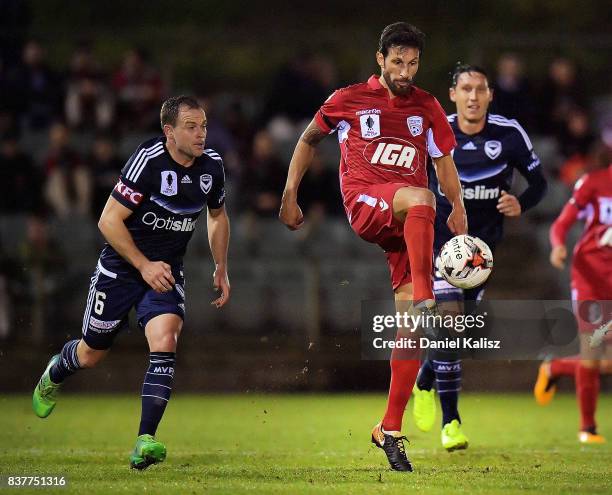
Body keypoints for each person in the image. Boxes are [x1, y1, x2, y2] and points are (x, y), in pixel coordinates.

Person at [279, 22, 467, 472]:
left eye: (413, 62)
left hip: (408, 224)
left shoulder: (427, 105)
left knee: (412, 331)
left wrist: (458, 207)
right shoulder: (348, 99)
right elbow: (308, 140)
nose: (405, 70)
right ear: (380, 60)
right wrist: (290, 194)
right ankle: (426, 292)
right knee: (421, 198)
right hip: (367, 201)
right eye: (397, 61)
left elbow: (442, 160)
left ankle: (389, 429)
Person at [32, 95, 231, 469]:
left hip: (166, 271)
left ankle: (145, 439)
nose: (201, 133)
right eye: (191, 126)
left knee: (166, 340)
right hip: (122, 269)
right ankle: (56, 370)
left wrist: (221, 266)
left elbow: (218, 216)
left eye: (203, 125)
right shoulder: (149, 161)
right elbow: (108, 220)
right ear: (168, 132)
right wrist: (143, 265)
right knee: (92, 354)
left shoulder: (213, 167)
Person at [411, 64, 547, 451]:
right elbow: (408, 175)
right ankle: (451, 422)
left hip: (480, 252)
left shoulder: (509, 133)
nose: (473, 96)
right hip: (440, 243)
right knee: (450, 322)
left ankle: (424, 380)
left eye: (480, 89)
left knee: (458, 330)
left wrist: (520, 202)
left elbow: (540, 183)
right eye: (465, 89)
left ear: (490, 95)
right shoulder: (436, 130)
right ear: (452, 94)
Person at [534, 163, 612, 444]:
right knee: (592, 351)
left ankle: (555, 367)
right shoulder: (595, 182)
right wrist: (557, 244)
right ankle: (588, 428)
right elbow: (563, 222)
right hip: (590, 277)